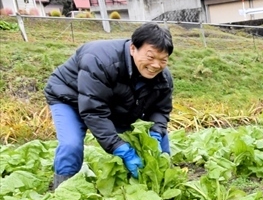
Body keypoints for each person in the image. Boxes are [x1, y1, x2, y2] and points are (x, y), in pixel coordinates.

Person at [44, 22, 174, 188]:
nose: (156, 65)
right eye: (150, 57)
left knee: (159, 137)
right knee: (71, 144)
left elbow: (160, 110)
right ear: (133, 49)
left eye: (163, 60)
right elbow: (94, 112)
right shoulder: (99, 60)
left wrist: (155, 134)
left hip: (111, 102)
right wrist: (120, 148)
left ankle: (162, 182)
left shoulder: (163, 78)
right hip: (69, 98)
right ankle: (64, 194)